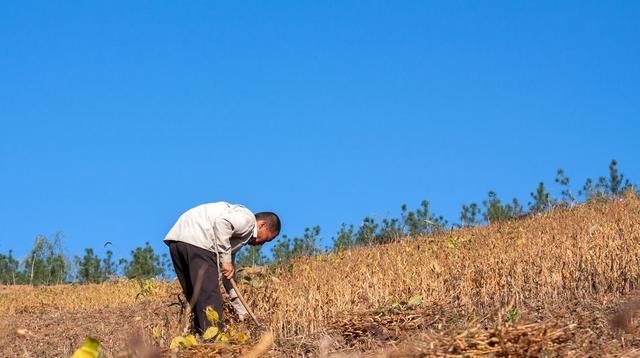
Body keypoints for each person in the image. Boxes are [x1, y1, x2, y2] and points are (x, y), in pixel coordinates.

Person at [164, 202, 280, 334]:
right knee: (211, 299)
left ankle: (198, 339)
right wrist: (226, 261)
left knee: (196, 298)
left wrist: (241, 311)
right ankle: (212, 345)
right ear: (262, 225)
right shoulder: (247, 220)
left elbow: (228, 277)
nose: (261, 244)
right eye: (266, 239)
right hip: (199, 241)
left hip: (178, 242)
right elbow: (222, 223)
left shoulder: (232, 239)